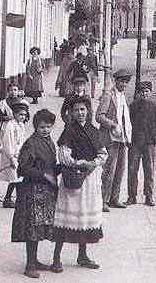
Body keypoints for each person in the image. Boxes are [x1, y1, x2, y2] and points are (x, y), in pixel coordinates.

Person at [50, 98, 106, 271]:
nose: (80, 113)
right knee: (67, 217)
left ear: (88, 111)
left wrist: (94, 163)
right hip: (73, 179)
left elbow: (103, 153)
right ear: (71, 113)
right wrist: (82, 164)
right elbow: (64, 156)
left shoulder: (93, 131)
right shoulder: (69, 131)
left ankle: (82, 255)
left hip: (90, 181)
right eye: (76, 110)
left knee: (84, 218)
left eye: (83, 109)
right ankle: (56, 258)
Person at [12, 109, 59, 279]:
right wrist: (45, 175)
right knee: (32, 227)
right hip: (32, 191)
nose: (45, 130)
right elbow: (23, 168)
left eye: (48, 126)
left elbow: (51, 165)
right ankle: (30, 264)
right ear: (35, 127)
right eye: (42, 127)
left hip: (46, 192)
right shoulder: (31, 143)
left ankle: (35, 261)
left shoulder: (49, 142)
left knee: (40, 227)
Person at [96, 69, 133, 211]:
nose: (124, 85)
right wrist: (112, 124)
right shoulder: (108, 96)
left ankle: (114, 198)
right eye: (122, 81)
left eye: (126, 82)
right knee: (109, 170)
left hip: (122, 137)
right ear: (116, 81)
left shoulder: (123, 97)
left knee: (120, 169)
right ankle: (103, 200)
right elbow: (99, 116)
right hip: (110, 138)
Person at [128, 81, 156, 206]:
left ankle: (149, 196)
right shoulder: (132, 106)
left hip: (149, 143)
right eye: (142, 92)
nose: (144, 94)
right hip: (135, 142)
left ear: (150, 93)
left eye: (146, 91)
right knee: (132, 169)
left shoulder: (155, 107)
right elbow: (129, 123)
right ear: (139, 93)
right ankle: (132, 196)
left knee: (149, 170)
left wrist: (152, 134)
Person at [0, 101, 31, 208]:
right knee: (15, 178)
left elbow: (21, 141)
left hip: (18, 155)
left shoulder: (20, 125)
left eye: (24, 115)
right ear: (14, 114)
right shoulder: (10, 126)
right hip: (10, 155)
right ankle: (11, 199)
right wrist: (11, 157)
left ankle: (9, 198)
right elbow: (8, 142)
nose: (22, 117)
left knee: (16, 178)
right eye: (20, 114)